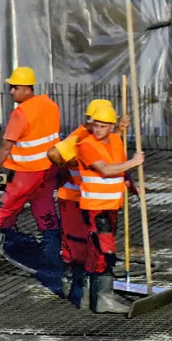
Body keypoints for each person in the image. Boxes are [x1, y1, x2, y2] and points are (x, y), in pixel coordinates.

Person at [47, 99, 134, 308]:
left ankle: (86, 293)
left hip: (90, 198)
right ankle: (78, 288)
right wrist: (70, 167)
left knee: (93, 246)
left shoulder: (97, 137)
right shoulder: (80, 137)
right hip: (74, 198)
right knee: (78, 246)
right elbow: (54, 154)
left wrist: (119, 131)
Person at [0, 67, 62, 291]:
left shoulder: (21, 114)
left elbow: (6, 146)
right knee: (44, 206)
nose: (11, 91)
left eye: (15, 87)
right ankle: (52, 248)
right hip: (48, 169)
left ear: (28, 89)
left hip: (25, 172)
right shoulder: (50, 105)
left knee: (7, 206)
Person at [76, 104, 145, 313]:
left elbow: (120, 168)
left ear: (111, 127)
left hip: (112, 206)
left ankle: (87, 296)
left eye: (103, 126)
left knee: (98, 250)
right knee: (103, 251)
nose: (98, 130)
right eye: (96, 125)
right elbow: (105, 170)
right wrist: (134, 162)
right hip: (95, 209)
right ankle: (103, 299)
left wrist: (133, 186)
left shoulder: (116, 140)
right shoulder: (86, 146)